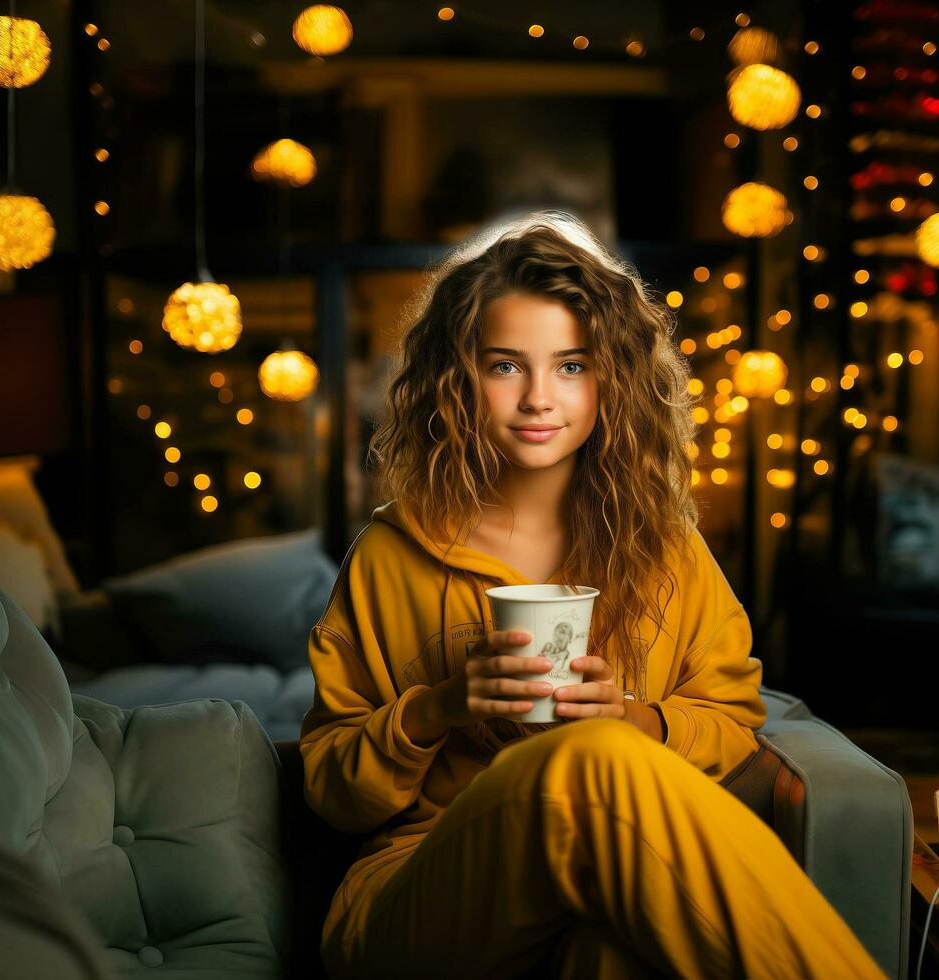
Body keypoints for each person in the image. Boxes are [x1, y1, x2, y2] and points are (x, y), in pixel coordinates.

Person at [300, 211, 885, 979]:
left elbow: (732, 718)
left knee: (613, 953)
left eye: (571, 366)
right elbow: (329, 792)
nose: (539, 398)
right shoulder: (388, 554)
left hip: (604, 877)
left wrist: (631, 717)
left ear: (613, 378)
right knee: (591, 759)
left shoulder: (664, 545)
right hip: (417, 887)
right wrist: (439, 706)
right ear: (457, 377)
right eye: (505, 365)